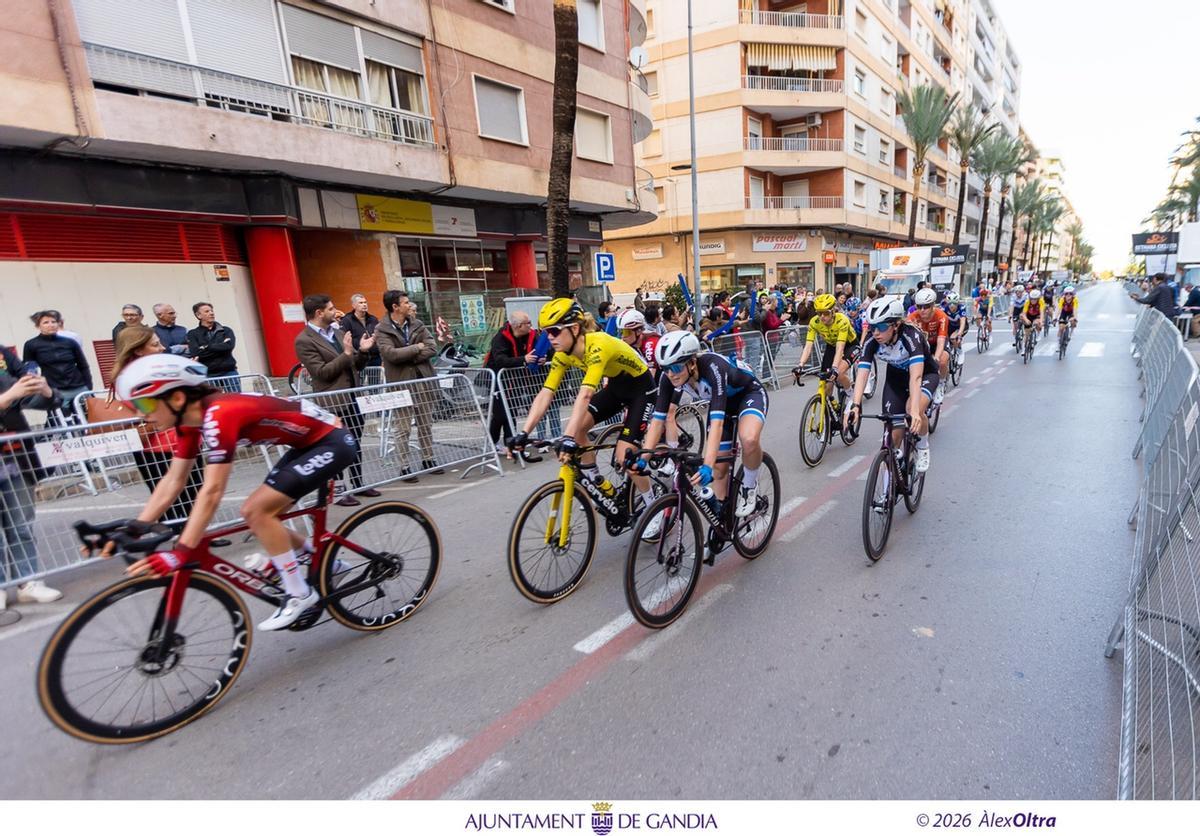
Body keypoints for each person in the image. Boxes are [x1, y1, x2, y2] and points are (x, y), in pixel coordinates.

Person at [113, 354, 357, 630]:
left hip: (332, 442)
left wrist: (182, 550)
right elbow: (174, 479)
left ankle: (299, 593)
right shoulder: (190, 422)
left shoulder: (220, 414)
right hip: (308, 444)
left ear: (177, 398)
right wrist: (136, 527)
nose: (140, 415)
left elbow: (212, 491)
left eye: (144, 404)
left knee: (256, 510)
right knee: (261, 516)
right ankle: (329, 565)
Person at [507, 299, 657, 514]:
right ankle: (597, 482)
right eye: (546, 332)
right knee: (577, 430)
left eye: (554, 331)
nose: (549, 338)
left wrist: (567, 437)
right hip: (617, 387)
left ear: (575, 329)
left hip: (641, 389)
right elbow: (546, 393)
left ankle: (653, 506)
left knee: (626, 459)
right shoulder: (562, 355)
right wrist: (523, 433)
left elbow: (585, 394)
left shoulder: (597, 346)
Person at [639, 331, 768, 543]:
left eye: (676, 368)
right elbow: (657, 420)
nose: (670, 374)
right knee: (720, 469)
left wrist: (706, 464)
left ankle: (749, 486)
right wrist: (643, 458)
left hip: (748, 395)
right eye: (665, 368)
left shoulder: (713, 367)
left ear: (691, 362)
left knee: (749, 439)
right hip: (722, 405)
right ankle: (722, 523)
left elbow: (716, 424)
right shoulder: (667, 378)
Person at [104, 326, 206, 528]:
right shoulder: (129, 377)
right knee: (170, 498)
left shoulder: (162, 367)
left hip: (182, 436)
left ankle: (198, 536)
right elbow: (145, 406)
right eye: (155, 344)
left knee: (194, 490)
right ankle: (179, 538)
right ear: (138, 350)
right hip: (155, 446)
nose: (162, 348)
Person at [294, 294, 379, 506]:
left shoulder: (338, 332)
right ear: (319, 313)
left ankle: (358, 483)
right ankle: (338, 491)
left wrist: (363, 351)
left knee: (355, 442)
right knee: (336, 446)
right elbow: (322, 372)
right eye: (331, 309)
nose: (335, 312)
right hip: (332, 400)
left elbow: (356, 364)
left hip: (353, 396)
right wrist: (347, 354)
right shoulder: (304, 340)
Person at [0, 348, 63, 609]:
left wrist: (44, 390)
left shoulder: (3, 354)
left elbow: (33, 396)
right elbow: (12, 395)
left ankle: (28, 582)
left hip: (15, 456)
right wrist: (8, 396)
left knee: (22, 524)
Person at [849, 296, 935, 473]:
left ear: (896, 325)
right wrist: (855, 405)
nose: (875, 333)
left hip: (925, 374)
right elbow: (862, 374)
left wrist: (915, 412)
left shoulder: (911, 337)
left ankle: (922, 446)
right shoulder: (872, 341)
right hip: (896, 379)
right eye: (872, 327)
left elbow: (916, 377)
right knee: (893, 433)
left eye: (881, 327)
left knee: (913, 408)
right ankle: (894, 470)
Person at [374, 289, 441, 480]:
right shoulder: (382, 329)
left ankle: (428, 458)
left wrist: (409, 355)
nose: (409, 305)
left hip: (422, 379)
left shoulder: (417, 324)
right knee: (403, 428)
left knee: (425, 423)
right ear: (395, 307)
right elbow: (391, 355)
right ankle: (404, 467)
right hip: (400, 384)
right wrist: (416, 348)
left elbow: (432, 347)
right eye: (405, 302)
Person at [483, 311, 543, 463]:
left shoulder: (532, 335)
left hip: (516, 380)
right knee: (500, 414)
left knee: (511, 412)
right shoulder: (500, 338)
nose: (530, 325)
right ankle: (495, 442)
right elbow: (500, 360)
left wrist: (542, 359)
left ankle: (511, 444)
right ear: (518, 326)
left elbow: (541, 351)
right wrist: (524, 359)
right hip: (498, 380)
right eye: (527, 323)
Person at [23, 309, 93, 421]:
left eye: (53, 322)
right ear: (38, 326)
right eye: (46, 322)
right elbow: (30, 369)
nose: (51, 325)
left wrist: (88, 386)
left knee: (90, 420)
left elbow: (83, 365)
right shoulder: (31, 345)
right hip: (56, 391)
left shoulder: (70, 342)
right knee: (60, 422)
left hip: (79, 388)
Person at [795, 293, 856, 393]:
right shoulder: (814, 322)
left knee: (839, 374)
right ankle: (829, 400)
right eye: (819, 313)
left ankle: (851, 394)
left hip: (850, 345)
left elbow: (840, 348)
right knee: (825, 379)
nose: (822, 317)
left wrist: (835, 368)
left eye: (826, 313)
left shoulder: (842, 320)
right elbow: (808, 346)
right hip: (832, 345)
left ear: (833, 311)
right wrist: (800, 365)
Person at [906, 288, 949, 404]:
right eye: (919, 307)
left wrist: (936, 358)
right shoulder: (912, 317)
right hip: (923, 344)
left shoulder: (941, 316)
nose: (922, 310)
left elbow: (941, 341)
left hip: (937, 342)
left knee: (942, 361)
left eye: (926, 307)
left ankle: (941, 383)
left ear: (933, 305)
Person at [187, 302, 239, 390]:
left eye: (211, 311)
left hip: (229, 372)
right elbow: (196, 353)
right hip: (209, 374)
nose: (211, 313)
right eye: (207, 311)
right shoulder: (193, 334)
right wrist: (221, 347)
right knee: (213, 397)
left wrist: (207, 347)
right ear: (198, 315)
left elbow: (229, 347)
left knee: (235, 397)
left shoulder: (225, 330)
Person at [339, 293, 381, 369]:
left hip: (375, 357)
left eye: (365, 302)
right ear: (354, 305)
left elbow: (379, 335)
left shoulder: (373, 319)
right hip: (359, 358)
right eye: (361, 303)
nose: (364, 305)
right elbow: (344, 338)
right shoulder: (347, 320)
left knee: (376, 376)